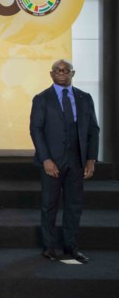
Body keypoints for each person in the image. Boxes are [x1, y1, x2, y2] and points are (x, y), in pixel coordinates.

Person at [30, 59, 99, 264]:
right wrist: (46, 159)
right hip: (52, 162)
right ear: (51, 74)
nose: (62, 73)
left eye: (66, 70)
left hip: (77, 161)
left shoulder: (84, 98)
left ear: (72, 73)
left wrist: (91, 159)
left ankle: (71, 246)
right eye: (58, 70)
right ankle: (49, 246)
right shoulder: (42, 98)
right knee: (49, 204)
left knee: (74, 205)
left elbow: (93, 131)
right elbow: (36, 130)